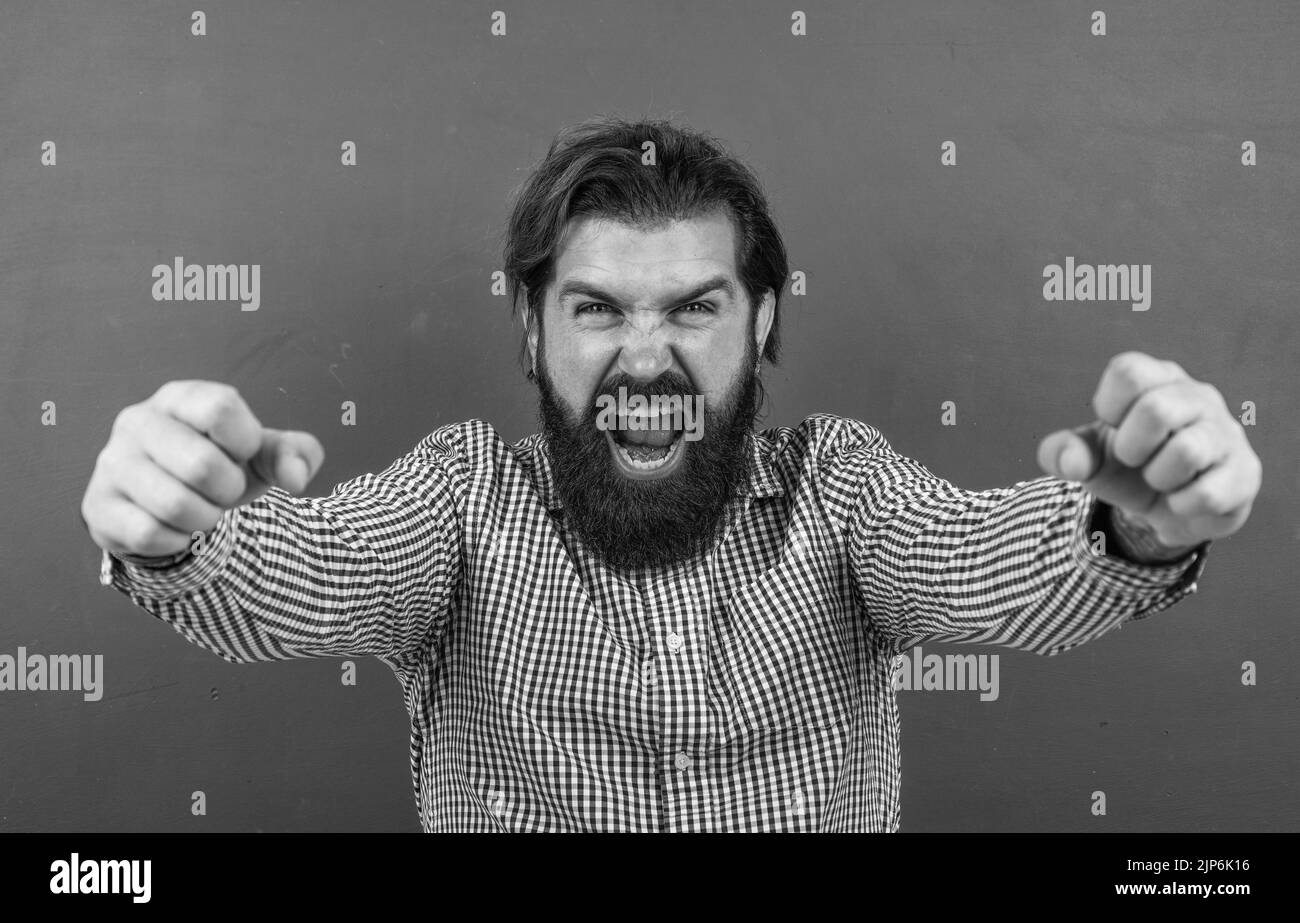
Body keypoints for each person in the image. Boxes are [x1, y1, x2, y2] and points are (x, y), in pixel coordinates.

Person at [79, 116, 1261, 832]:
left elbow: (976, 562)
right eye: (595, 307)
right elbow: (310, 571)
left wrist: (1130, 529)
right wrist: (178, 532)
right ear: (532, 331)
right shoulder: (456, 497)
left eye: (695, 306)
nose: (646, 355)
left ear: (761, 325)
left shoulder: (843, 490)